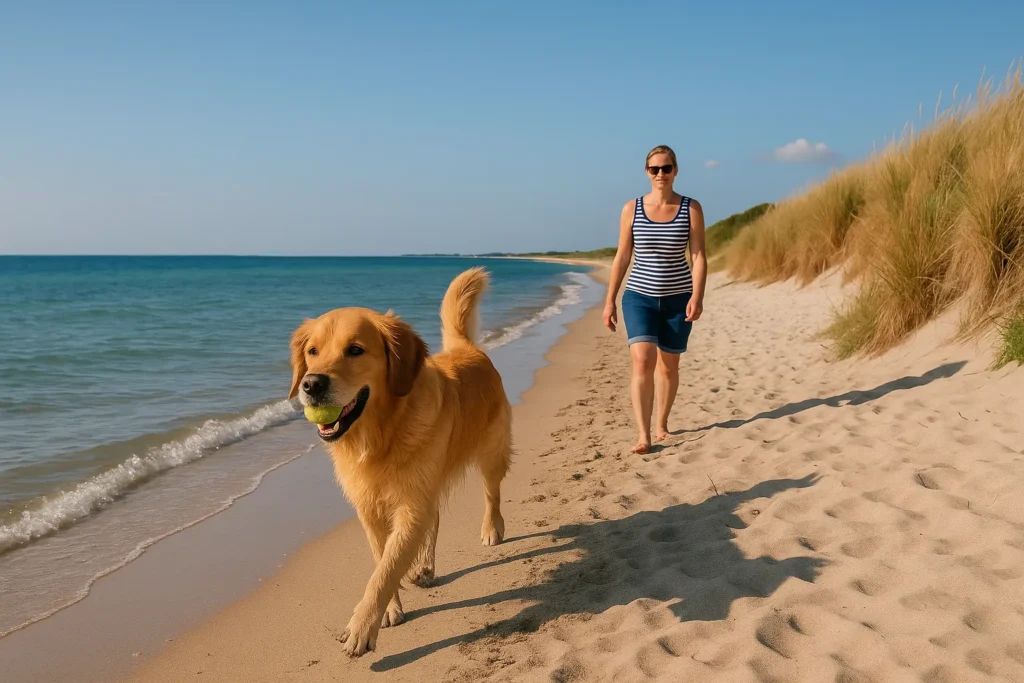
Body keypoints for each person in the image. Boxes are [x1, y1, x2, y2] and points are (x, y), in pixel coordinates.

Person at [602, 144, 707, 454]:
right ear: (646, 172)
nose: (660, 174)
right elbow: (622, 256)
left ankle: (662, 422)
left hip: (678, 299)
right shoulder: (631, 209)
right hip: (639, 297)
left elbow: (698, 255)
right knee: (642, 360)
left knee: (669, 367)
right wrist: (610, 299)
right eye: (654, 169)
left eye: (666, 168)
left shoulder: (691, 208)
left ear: (675, 171)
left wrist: (697, 296)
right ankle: (643, 434)